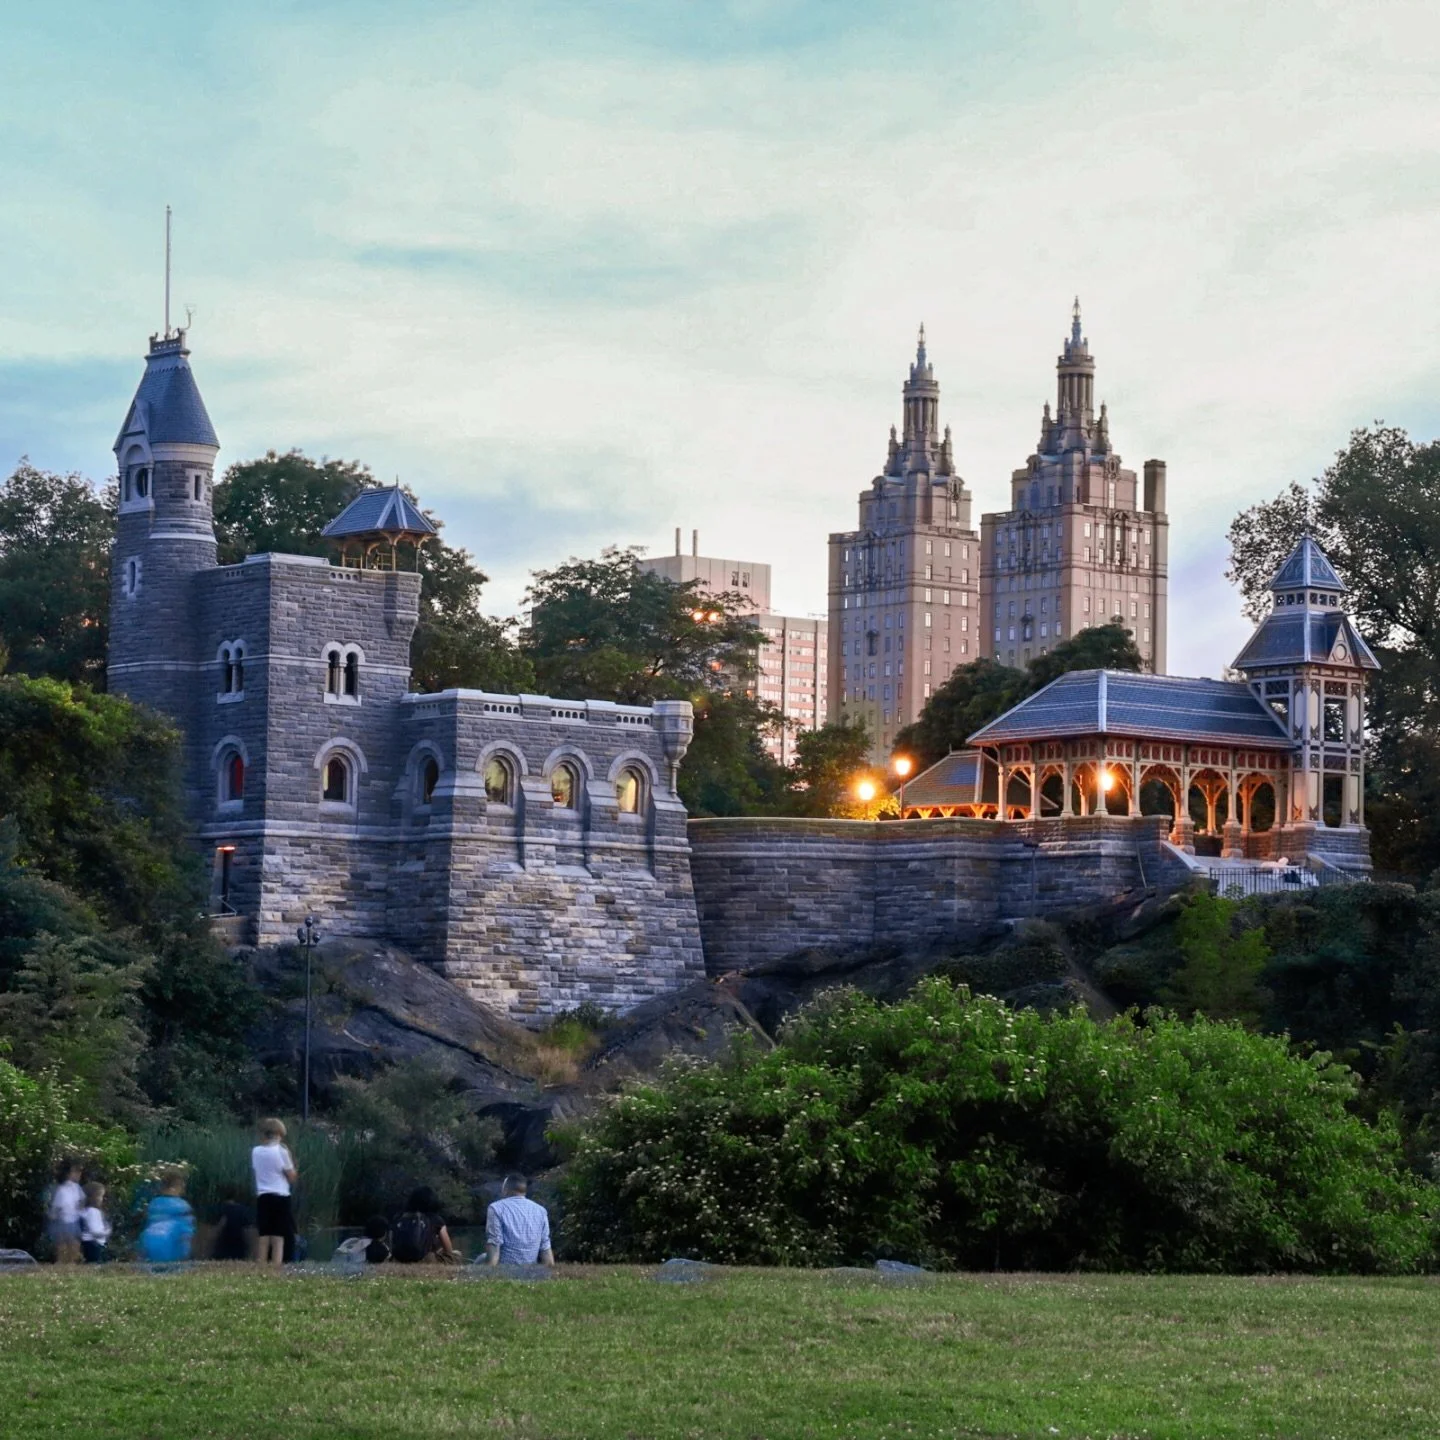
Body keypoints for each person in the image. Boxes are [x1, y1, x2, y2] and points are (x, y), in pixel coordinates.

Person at [251, 1118, 298, 1267]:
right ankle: (276, 1267)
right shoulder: (282, 1151)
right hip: (280, 1196)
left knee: (264, 1234)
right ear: (278, 1133)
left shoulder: (256, 1151)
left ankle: (262, 1264)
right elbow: (291, 1177)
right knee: (278, 1236)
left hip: (263, 1195)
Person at [485, 1175, 553, 1267]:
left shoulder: (496, 1208)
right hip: (530, 1270)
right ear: (524, 1190)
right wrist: (550, 1271)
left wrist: (489, 1273)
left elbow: (495, 1243)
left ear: (506, 1190)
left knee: (481, 1258)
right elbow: (545, 1246)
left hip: (505, 1270)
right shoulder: (541, 1211)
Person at [139, 1170, 195, 1263]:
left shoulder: (153, 1204)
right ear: (178, 1185)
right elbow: (186, 1235)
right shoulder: (183, 1206)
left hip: (150, 1251)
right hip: (173, 1253)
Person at [391, 1187, 458, 1264]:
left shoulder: (399, 1217)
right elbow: (448, 1250)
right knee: (456, 1254)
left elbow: (393, 1242)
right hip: (425, 1259)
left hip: (399, 1259)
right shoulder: (436, 1219)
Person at [47, 1159, 85, 1265]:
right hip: (64, 1219)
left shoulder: (76, 1188)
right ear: (68, 1173)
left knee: (73, 1241)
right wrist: (54, 1215)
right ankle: (62, 1261)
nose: (79, 1174)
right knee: (64, 1241)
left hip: (73, 1218)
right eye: (76, 1171)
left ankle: (71, 1261)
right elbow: (58, 1205)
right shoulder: (63, 1189)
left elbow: (81, 1200)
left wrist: (80, 1210)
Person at [212, 1186, 252, 1261]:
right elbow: (247, 1230)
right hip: (239, 1245)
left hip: (223, 1245)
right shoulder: (242, 1210)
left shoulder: (221, 1208)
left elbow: (219, 1226)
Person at [79, 1182, 111, 1264]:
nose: (102, 1199)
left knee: (91, 1262)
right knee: (94, 1263)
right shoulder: (93, 1212)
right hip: (93, 1243)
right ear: (93, 1197)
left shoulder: (86, 1211)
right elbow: (95, 1231)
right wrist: (106, 1232)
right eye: (100, 1196)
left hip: (89, 1242)